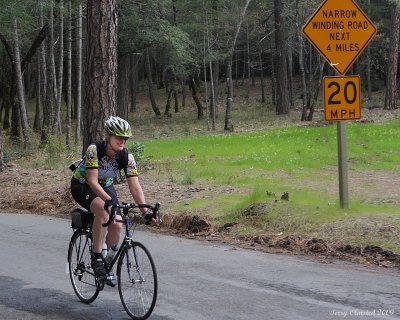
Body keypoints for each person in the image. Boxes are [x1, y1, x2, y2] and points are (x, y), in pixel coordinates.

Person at [70, 116, 149, 282]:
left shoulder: (127, 157)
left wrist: (145, 211)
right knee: (104, 211)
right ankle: (97, 257)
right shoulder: (94, 150)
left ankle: (107, 261)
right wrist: (108, 201)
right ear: (109, 136)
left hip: (105, 185)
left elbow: (135, 187)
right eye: (119, 137)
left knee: (118, 222)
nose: (122, 141)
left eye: (125, 138)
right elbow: (92, 180)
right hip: (83, 184)